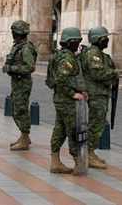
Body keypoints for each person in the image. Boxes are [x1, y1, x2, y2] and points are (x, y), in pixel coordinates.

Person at [48, 27, 87, 175]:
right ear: (71, 42)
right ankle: (78, 163)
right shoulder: (67, 58)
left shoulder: (60, 55)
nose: (78, 44)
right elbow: (61, 79)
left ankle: (55, 161)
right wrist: (73, 94)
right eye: (77, 41)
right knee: (72, 130)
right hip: (66, 101)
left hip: (60, 99)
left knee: (60, 129)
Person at [80, 26, 118, 169]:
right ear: (98, 39)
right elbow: (98, 74)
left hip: (100, 93)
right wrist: (114, 73)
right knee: (96, 124)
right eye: (105, 38)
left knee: (98, 123)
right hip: (96, 94)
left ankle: (91, 152)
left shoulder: (100, 55)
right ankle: (88, 153)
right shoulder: (93, 54)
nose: (107, 40)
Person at [3, 20, 38, 151]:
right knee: (16, 109)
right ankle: (24, 136)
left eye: (14, 32)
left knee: (20, 110)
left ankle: (24, 137)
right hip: (17, 82)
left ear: (18, 33)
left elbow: (30, 67)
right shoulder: (18, 46)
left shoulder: (26, 48)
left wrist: (12, 68)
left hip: (23, 83)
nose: (12, 34)